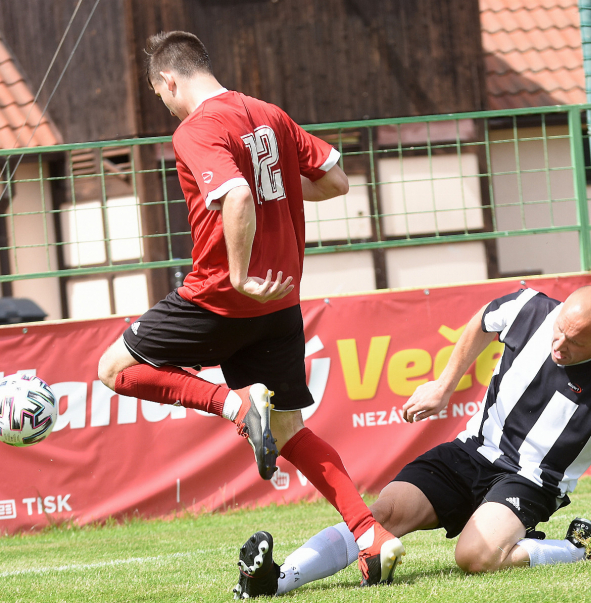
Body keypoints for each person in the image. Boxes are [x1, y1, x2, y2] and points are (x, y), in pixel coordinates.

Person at [96, 31, 403, 587]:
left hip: (221, 296)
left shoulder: (196, 129)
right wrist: (278, 192)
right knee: (289, 432)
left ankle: (234, 407)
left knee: (113, 370)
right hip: (282, 301)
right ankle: (369, 534)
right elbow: (336, 180)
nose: (165, 104)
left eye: (160, 95)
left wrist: (238, 273)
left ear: (169, 81)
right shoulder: (271, 115)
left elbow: (235, 195)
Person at [233, 285, 591, 598]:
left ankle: (577, 547)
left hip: (530, 481)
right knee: (382, 514)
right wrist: (443, 385)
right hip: (473, 450)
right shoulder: (532, 307)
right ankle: (274, 582)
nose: (558, 346)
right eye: (558, 333)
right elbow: (482, 322)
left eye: (574, 343)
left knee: (473, 558)